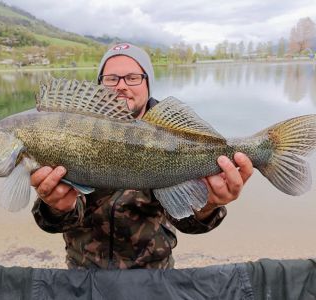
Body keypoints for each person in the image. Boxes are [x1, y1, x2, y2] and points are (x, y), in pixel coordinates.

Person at [31, 43, 253, 269]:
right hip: (83, 272)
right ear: (99, 85)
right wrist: (55, 208)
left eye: (132, 77)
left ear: (148, 84)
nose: (121, 86)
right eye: (111, 78)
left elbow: (188, 222)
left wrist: (208, 207)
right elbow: (50, 223)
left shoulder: (174, 135)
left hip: (153, 275)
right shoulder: (69, 132)